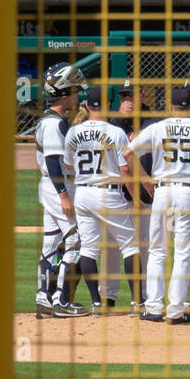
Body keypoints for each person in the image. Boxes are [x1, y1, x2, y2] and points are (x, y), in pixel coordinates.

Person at [125, 88, 190, 324]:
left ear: (170, 106)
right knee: (183, 253)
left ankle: (153, 307)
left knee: (156, 250)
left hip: (162, 191)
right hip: (188, 192)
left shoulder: (156, 128)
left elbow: (127, 154)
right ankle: (175, 310)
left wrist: (145, 180)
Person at [60, 86, 140, 316]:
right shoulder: (115, 132)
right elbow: (125, 171)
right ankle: (137, 303)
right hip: (109, 193)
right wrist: (136, 199)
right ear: (108, 105)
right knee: (130, 245)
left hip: (83, 193)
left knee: (89, 249)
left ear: (86, 106)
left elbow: (67, 165)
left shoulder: (73, 132)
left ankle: (96, 304)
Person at [34, 62, 90, 318]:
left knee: (51, 241)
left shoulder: (49, 121)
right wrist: (64, 196)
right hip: (57, 186)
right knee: (76, 240)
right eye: (75, 92)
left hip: (48, 186)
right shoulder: (54, 125)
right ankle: (62, 301)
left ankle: (43, 298)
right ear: (64, 95)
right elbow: (53, 161)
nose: (77, 97)